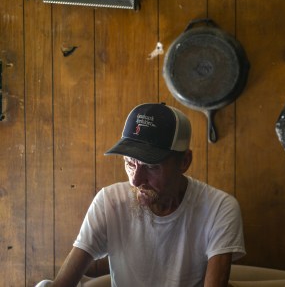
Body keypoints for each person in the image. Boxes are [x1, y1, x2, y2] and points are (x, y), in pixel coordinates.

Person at [36, 103, 245, 287]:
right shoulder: (109, 202)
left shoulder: (219, 208)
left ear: (184, 162)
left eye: (151, 166)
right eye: (129, 163)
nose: (135, 181)